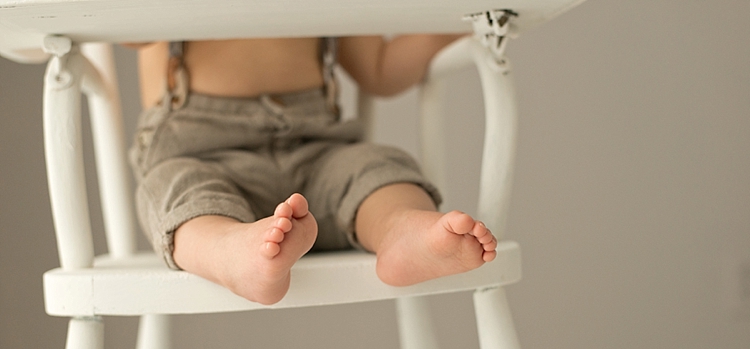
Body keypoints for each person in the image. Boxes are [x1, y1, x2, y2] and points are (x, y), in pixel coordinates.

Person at [127, 36, 497, 305]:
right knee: (176, 186)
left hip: (316, 151)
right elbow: (130, 27)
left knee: (377, 166)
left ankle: (399, 230)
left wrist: (460, 24)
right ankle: (230, 251)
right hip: (201, 153)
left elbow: (380, 69)